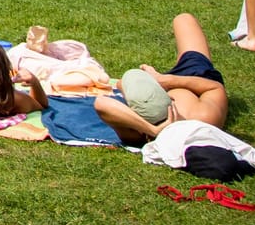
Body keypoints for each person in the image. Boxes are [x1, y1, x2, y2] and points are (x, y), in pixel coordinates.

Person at [93, 14, 228, 145]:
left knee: (125, 83)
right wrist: (167, 80)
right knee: (184, 19)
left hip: (163, 86)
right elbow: (215, 87)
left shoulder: (141, 134)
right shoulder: (202, 119)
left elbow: (101, 103)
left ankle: (151, 80)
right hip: (195, 78)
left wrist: (153, 130)